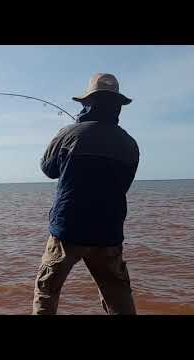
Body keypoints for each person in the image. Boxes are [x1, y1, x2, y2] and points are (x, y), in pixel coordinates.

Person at [33, 73, 139, 315]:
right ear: (117, 107)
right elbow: (124, 185)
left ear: (88, 103)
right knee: (118, 297)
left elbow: (48, 169)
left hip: (68, 229)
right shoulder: (130, 144)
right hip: (108, 232)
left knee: (47, 290)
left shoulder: (69, 133)